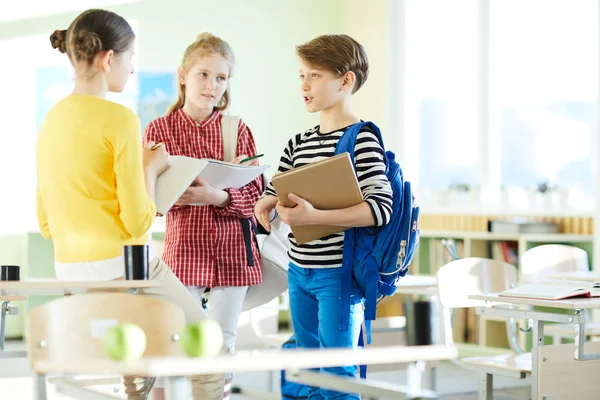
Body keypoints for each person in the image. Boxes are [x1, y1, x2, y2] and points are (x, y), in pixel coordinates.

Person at [37, 9, 208, 399]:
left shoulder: (51, 120)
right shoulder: (119, 119)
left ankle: (137, 379)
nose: (132, 69)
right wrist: (151, 168)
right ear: (108, 58)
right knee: (207, 338)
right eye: (131, 58)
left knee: (142, 351)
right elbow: (136, 224)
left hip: (69, 271)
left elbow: (46, 223)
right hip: (120, 267)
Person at [254, 34, 393, 400]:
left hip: (338, 278)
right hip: (300, 270)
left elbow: (380, 209)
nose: (303, 85)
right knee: (308, 367)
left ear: (345, 81)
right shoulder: (297, 142)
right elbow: (276, 188)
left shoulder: (362, 138)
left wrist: (317, 215)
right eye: (301, 75)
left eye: (314, 75)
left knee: (338, 371)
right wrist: (266, 203)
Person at [143, 32, 263, 400]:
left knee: (222, 342)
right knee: (172, 340)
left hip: (232, 252)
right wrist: (179, 196)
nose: (212, 86)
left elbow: (257, 195)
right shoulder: (158, 131)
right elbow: (149, 201)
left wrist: (218, 196)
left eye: (221, 78)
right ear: (182, 75)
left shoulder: (237, 129)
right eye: (203, 75)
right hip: (183, 252)